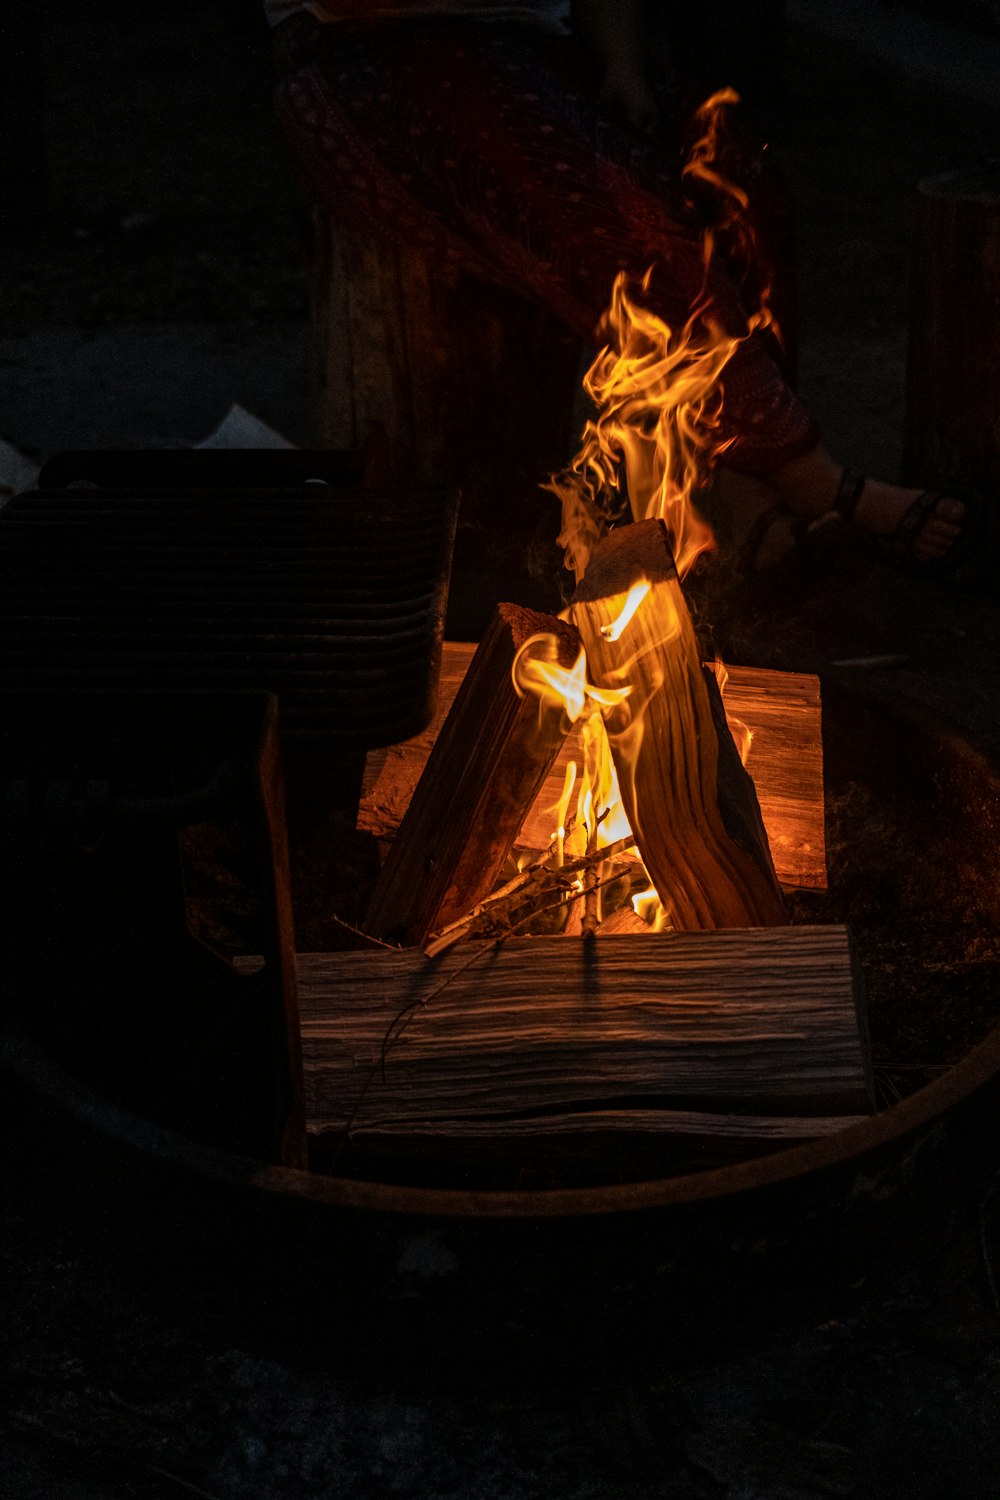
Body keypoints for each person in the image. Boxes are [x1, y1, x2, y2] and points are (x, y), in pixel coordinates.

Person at [268, 0, 985, 585]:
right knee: (621, 225)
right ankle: (811, 478)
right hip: (372, 49)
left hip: (537, 50)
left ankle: (739, 498)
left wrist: (622, 67)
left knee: (742, 187)